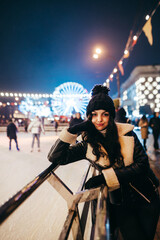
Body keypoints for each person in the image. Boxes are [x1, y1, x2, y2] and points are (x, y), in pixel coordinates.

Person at [47, 85, 159, 240]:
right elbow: (56, 157)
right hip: (113, 202)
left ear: (111, 116)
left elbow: (142, 165)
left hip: (140, 197)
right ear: (88, 117)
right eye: (93, 115)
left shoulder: (127, 134)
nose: (99, 119)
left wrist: (105, 178)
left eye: (104, 114)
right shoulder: (87, 144)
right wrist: (73, 130)